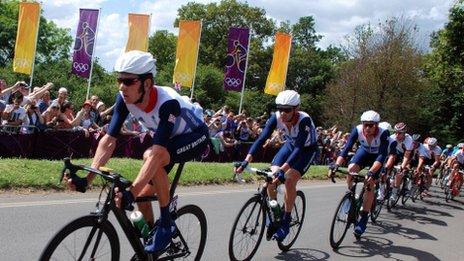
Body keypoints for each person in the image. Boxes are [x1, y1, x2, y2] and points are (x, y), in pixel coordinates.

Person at [65, 50, 209, 254]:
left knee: (150, 157)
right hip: (167, 142)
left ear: (147, 83)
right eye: (120, 80)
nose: (122, 86)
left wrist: (129, 193)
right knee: (142, 196)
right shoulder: (124, 99)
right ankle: (152, 245)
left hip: (195, 136)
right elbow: (108, 140)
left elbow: (158, 153)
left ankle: (166, 223)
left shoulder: (167, 103)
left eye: (129, 81)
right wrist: (88, 179)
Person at [235, 90, 318, 242]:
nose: (283, 113)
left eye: (287, 110)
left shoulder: (304, 120)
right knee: (270, 179)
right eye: (280, 109)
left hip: (306, 150)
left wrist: (283, 170)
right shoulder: (277, 117)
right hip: (290, 145)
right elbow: (261, 139)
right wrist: (246, 161)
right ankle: (275, 214)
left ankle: (286, 221)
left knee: (289, 179)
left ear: (296, 108)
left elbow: (299, 149)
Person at [329, 110, 389, 237]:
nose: (367, 128)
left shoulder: (383, 134)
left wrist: (372, 172)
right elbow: (346, 149)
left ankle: (364, 218)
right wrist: (337, 164)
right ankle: (352, 196)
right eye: (365, 124)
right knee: (351, 169)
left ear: (377, 125)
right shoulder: (357, 130)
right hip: (364, 153)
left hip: (377, 158)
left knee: (370, 183)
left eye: (371, 125)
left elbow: (382, 156)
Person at [388, 122, 415, 201]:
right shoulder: (392, 137)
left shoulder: (409, 140)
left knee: (399, 173)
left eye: (399, 133)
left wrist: (402, 167)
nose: (397, 135)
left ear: (404, 133)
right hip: (396, 153)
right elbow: (387, 152)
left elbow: (406, 156)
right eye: (395, 132)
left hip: (406, 155)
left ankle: (395, 192)